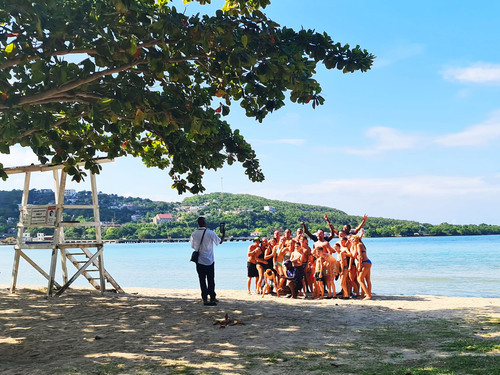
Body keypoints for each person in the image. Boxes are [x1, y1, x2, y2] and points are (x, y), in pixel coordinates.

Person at [190, 216, 225, 306]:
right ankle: (212, 297)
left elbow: (193, 247)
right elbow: (219, 242)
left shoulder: (194, 234)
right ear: (205, 223)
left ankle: (204, 298)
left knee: (202, 280)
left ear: (198, 223)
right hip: (209, 259)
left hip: (199, 260)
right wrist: (223, 234)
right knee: (211, 279)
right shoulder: (210, 233)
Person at [351, 235, 372, 300]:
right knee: (367, 280)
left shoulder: (359, 245)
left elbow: (360, 256)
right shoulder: (361, 244)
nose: (352, 241)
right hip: (368, 262)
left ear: (357, 239)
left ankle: (368, 295)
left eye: (353, 239)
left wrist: (360, 265)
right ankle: (365, 294)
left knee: (359, 279)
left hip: (364, 263)